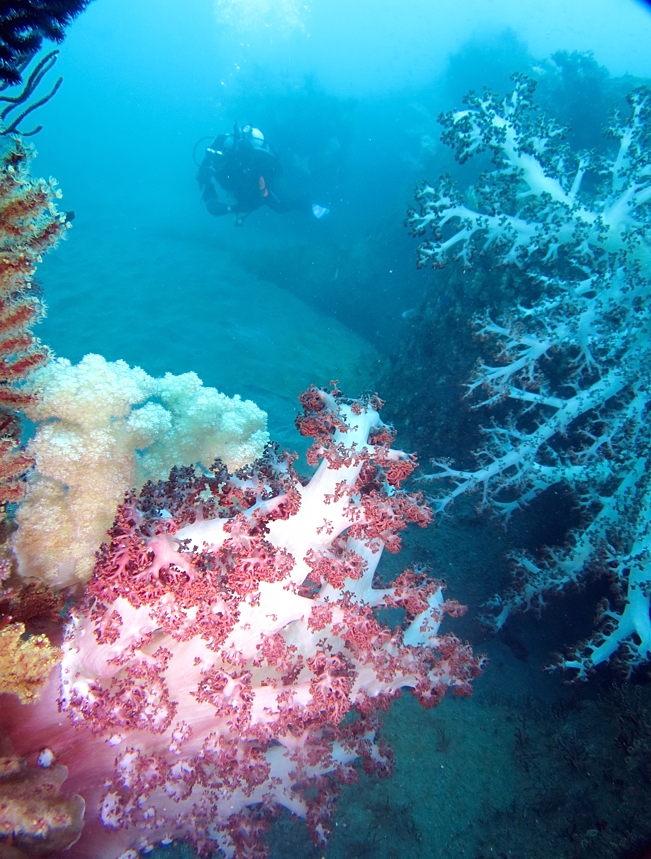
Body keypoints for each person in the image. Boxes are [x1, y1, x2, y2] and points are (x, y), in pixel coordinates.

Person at [197, 124, 328, 225]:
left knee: (279, 207)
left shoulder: (246, 167)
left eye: (219, 159)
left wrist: (227, 209)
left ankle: (306, 202)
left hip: (260, 181)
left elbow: (255, 202)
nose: (214, 162)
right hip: (241, 183)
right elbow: (203, 175)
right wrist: (209, 199)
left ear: (230, 158)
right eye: (211, 156)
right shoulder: (214, 154)